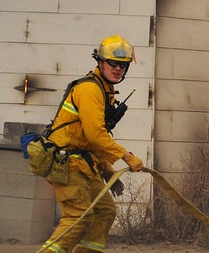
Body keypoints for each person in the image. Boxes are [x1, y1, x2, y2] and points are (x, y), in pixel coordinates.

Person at [41, 35, 144, 253]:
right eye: (113, 63)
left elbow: (91, 141)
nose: (118, 69)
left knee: (104, 211)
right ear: (100, 62)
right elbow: (96, 135)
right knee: (79, 217)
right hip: (66, 163)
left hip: (83, 163)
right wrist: (126, 156)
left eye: (123, 65)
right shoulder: (90, 90)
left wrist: (107, 169)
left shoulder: (105, 91)